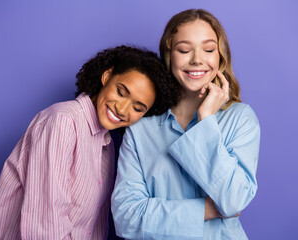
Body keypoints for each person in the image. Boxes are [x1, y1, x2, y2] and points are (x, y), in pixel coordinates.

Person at [0, 45, 180, 240]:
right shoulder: (62, 121)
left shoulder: (107, 145)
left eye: (138, 108)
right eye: (121, 92)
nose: (123, 109)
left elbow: (94, 229)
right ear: (106, 76)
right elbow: (46, 223)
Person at [111, 9, 260, 239]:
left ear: (220, 57)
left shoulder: (240, 119)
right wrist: (207, 210)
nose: (197, 59)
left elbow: (233, 200)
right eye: (184, 49)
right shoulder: (141, 126)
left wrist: (207, 119)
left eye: (209, 49)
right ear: (169, 55)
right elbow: (126, 218)